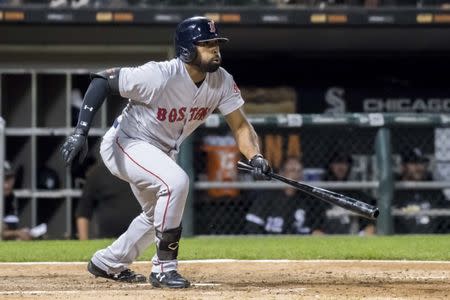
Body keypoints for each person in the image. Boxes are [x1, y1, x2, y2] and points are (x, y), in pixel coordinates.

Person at [60, 16, 271, 288]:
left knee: (156, 214)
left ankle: (108, 262)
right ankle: (163, 268)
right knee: (176, 182)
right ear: (187, 49)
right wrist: (80, 132)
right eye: (206, 44)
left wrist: (256, 156)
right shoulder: (159, 74)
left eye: (217, 43)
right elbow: (102, 80)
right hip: (126, 142)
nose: (215, 49)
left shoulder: (221, 81)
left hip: (161, 151)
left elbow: (241, 126)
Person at [245, 156, 326, 235]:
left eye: (299, 171)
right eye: (292, 170)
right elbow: (252, 226)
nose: (296, 175)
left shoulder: (309, 199)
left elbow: (317, 228)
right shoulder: (267, 196)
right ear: (282, 173)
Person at [76, 160, 141, 240]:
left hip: (142, 238)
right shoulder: (97, 172)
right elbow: (83, 210)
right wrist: (83, 242)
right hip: (107, 241)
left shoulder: (142, 170)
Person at [394, 147, 447, 234]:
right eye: (414, 163)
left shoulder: (433, 189)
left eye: (422, 163)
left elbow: (444, 213)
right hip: (403, 239)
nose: (420, 167)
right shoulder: (395, 191)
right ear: (403, 166)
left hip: (434, 237)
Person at [322, 151, 376, 235]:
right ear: (330, 166)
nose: (340, 167)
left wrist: (369, 228)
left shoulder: (355, 193)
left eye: (344, 163)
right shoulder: (321, 191)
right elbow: (316, 226)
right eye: (337, 163)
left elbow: (369, 223)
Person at [2, 161, 47, 240]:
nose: (7, 184)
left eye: (9, 178)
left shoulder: (11, 198)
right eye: (4, 179)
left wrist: (23, 233)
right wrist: (17, 233)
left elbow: (10, 226)